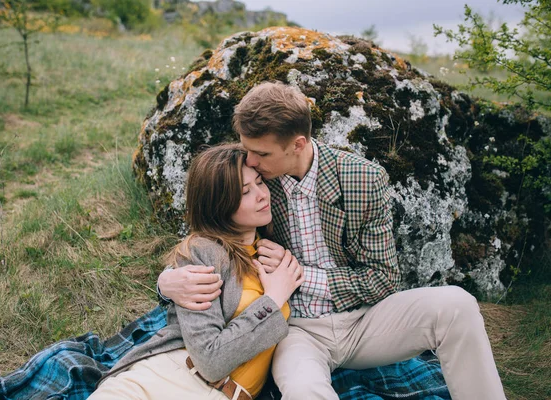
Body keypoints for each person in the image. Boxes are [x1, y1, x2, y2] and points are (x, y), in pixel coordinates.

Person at [157, 82, 507, 400]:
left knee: (457, 305)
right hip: (296, 331)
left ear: (298, 145)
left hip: (366, 321)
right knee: (305, 389)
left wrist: (296, 274)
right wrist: (167, 282)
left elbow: (383, 280)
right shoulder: (258, 176)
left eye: (260, 155)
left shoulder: (363, 179)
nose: (249, 161)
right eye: (248, 151)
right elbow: (210, 227)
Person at [90, 144, 304, 400]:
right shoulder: (205, 252)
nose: (261, 195)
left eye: (260, 182)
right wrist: (272, 300)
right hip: (167, 380)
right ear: (219, 204)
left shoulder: (274, 252)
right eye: (245, 191)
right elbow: (211, 360)